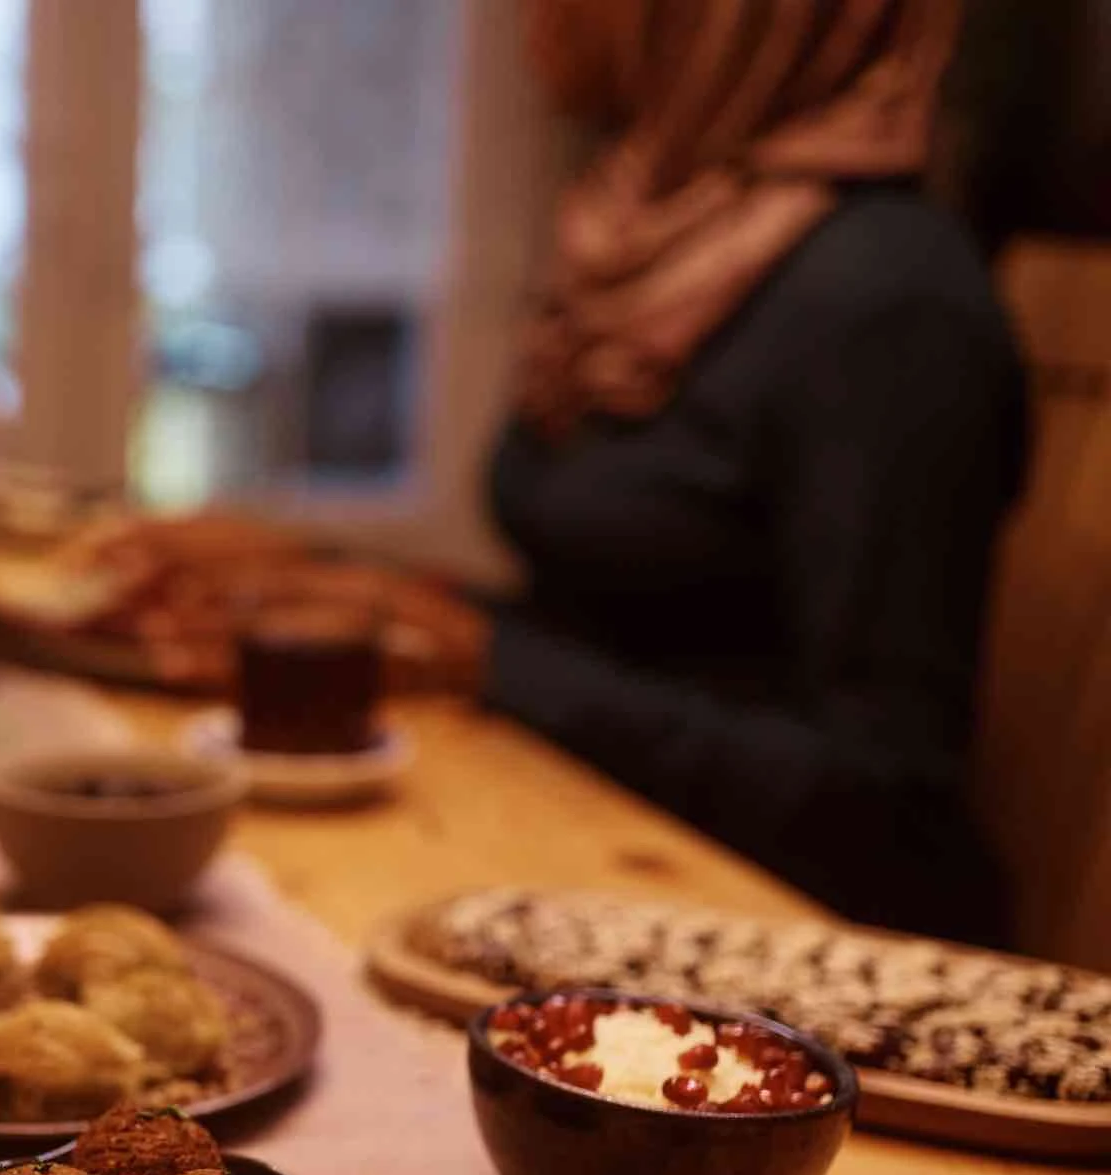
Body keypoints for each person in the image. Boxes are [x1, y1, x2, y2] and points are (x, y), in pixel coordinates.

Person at [103, 0, 1024, 945]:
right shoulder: (660, 230)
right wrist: (334, 576)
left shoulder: (887, 301)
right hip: (596, 853)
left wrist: (482, 654)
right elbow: (606, 628)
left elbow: (888, 803)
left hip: (777, 933)